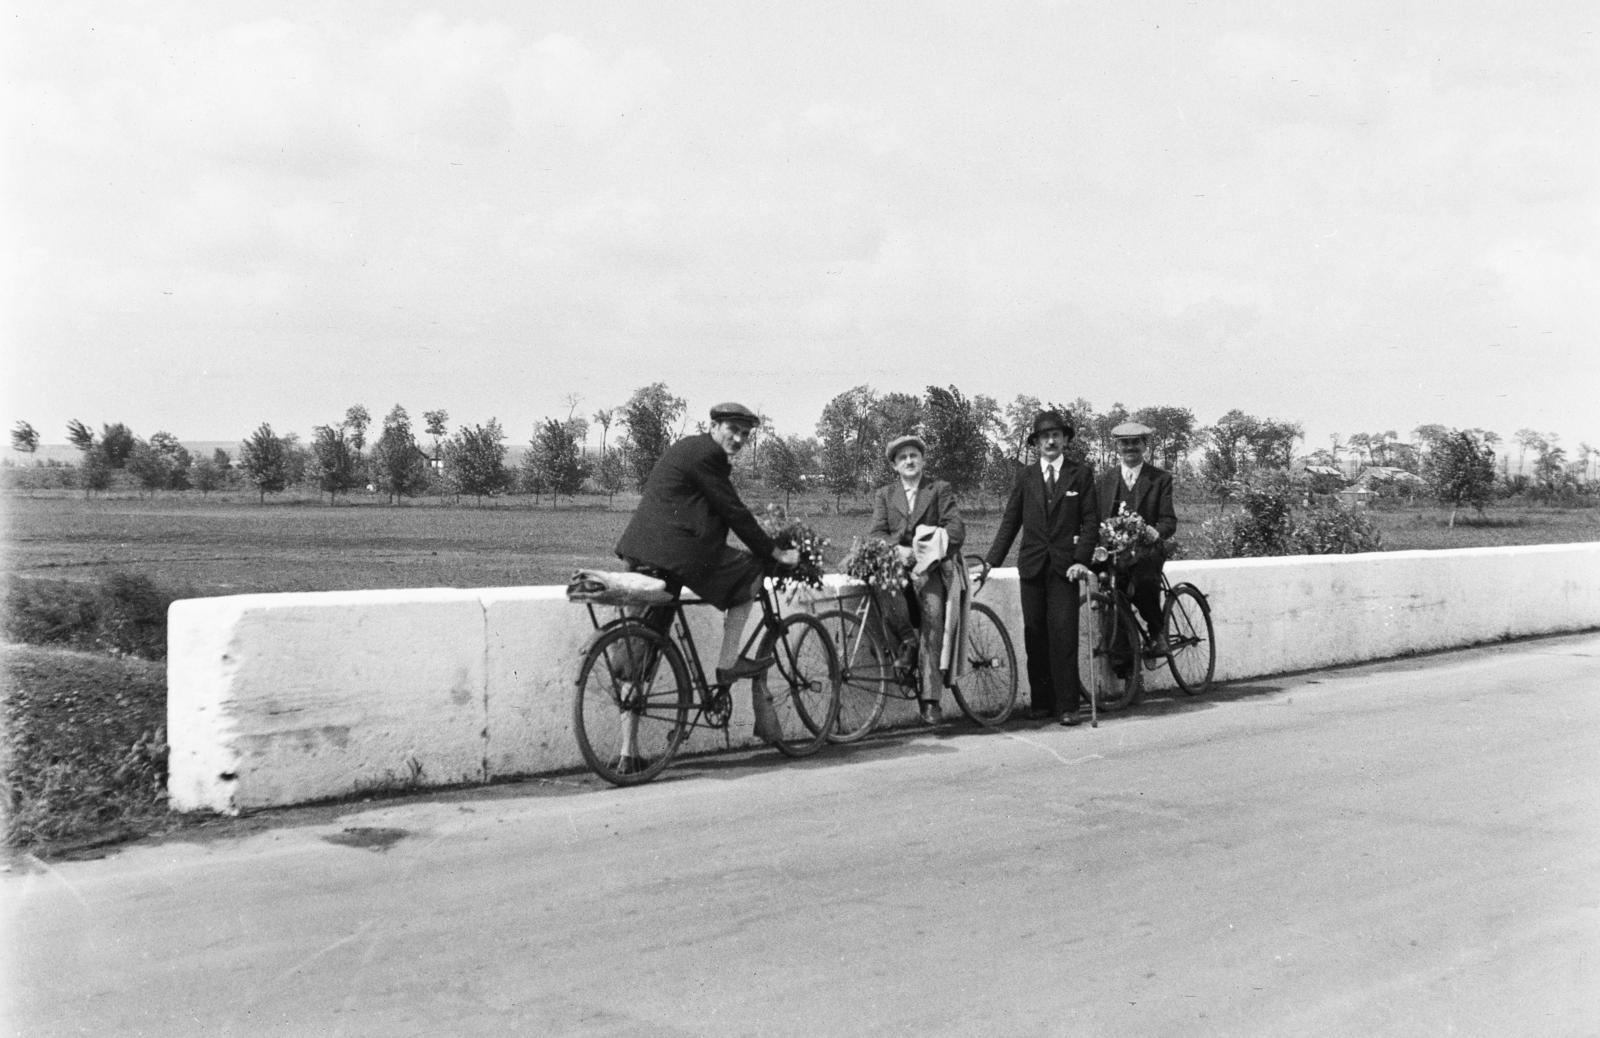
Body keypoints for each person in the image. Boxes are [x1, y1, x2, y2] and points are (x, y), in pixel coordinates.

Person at [614, 402, 799, 739]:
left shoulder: (688, 449)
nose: (739, 438)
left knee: (641, 647)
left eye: (745, 433)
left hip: (642, 552)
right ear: (714, 426)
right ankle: (729, 663)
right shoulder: (707, 455)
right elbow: (733, 510)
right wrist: (774, 551)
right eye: (733, 429)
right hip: (675, 554)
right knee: (750, 574)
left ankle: (628, 753)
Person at [982, 410, 1099, 726]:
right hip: (1032, 566)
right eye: (1044, 436)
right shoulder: (1026, 476)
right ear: (1035, 443)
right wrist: (990, 561)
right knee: (1035, 634)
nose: (1051, 440)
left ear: (1064, 440)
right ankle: (1042, 703)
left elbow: (1091, 522)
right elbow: (1011, 521)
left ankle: (1068, 705)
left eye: (1056, 435)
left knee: (1063, 634)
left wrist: (1081, 560)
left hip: (1065, 568)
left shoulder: (1081, 474)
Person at [867, 434, 966, 726]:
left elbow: (956, 528)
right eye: (902, 458)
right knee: (881, 584)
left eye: (914, 456)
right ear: (895, 466)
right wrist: (897, 548)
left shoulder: (938, 489)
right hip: (898, 568)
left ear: (923, 460)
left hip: (928, 570)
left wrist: (927, 547)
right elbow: (876, 534)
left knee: (933, 615)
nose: (909, 461)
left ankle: (931, 699)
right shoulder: (885, 495)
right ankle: (907, 643)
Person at [1096, 421, 1178, 669]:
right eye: (1125, 443)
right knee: (1112, 594)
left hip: (1147, 550)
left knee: (1142, 580)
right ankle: (1126, 669)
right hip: (1116, 552)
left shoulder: (1159, 478)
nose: (1130, 447)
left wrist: (1155, 531)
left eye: (1135, 442)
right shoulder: (1104, 480)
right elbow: (1096, 519)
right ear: (1117, 446)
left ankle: (1156, 632)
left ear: (1144, 445)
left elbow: (1169, 520)